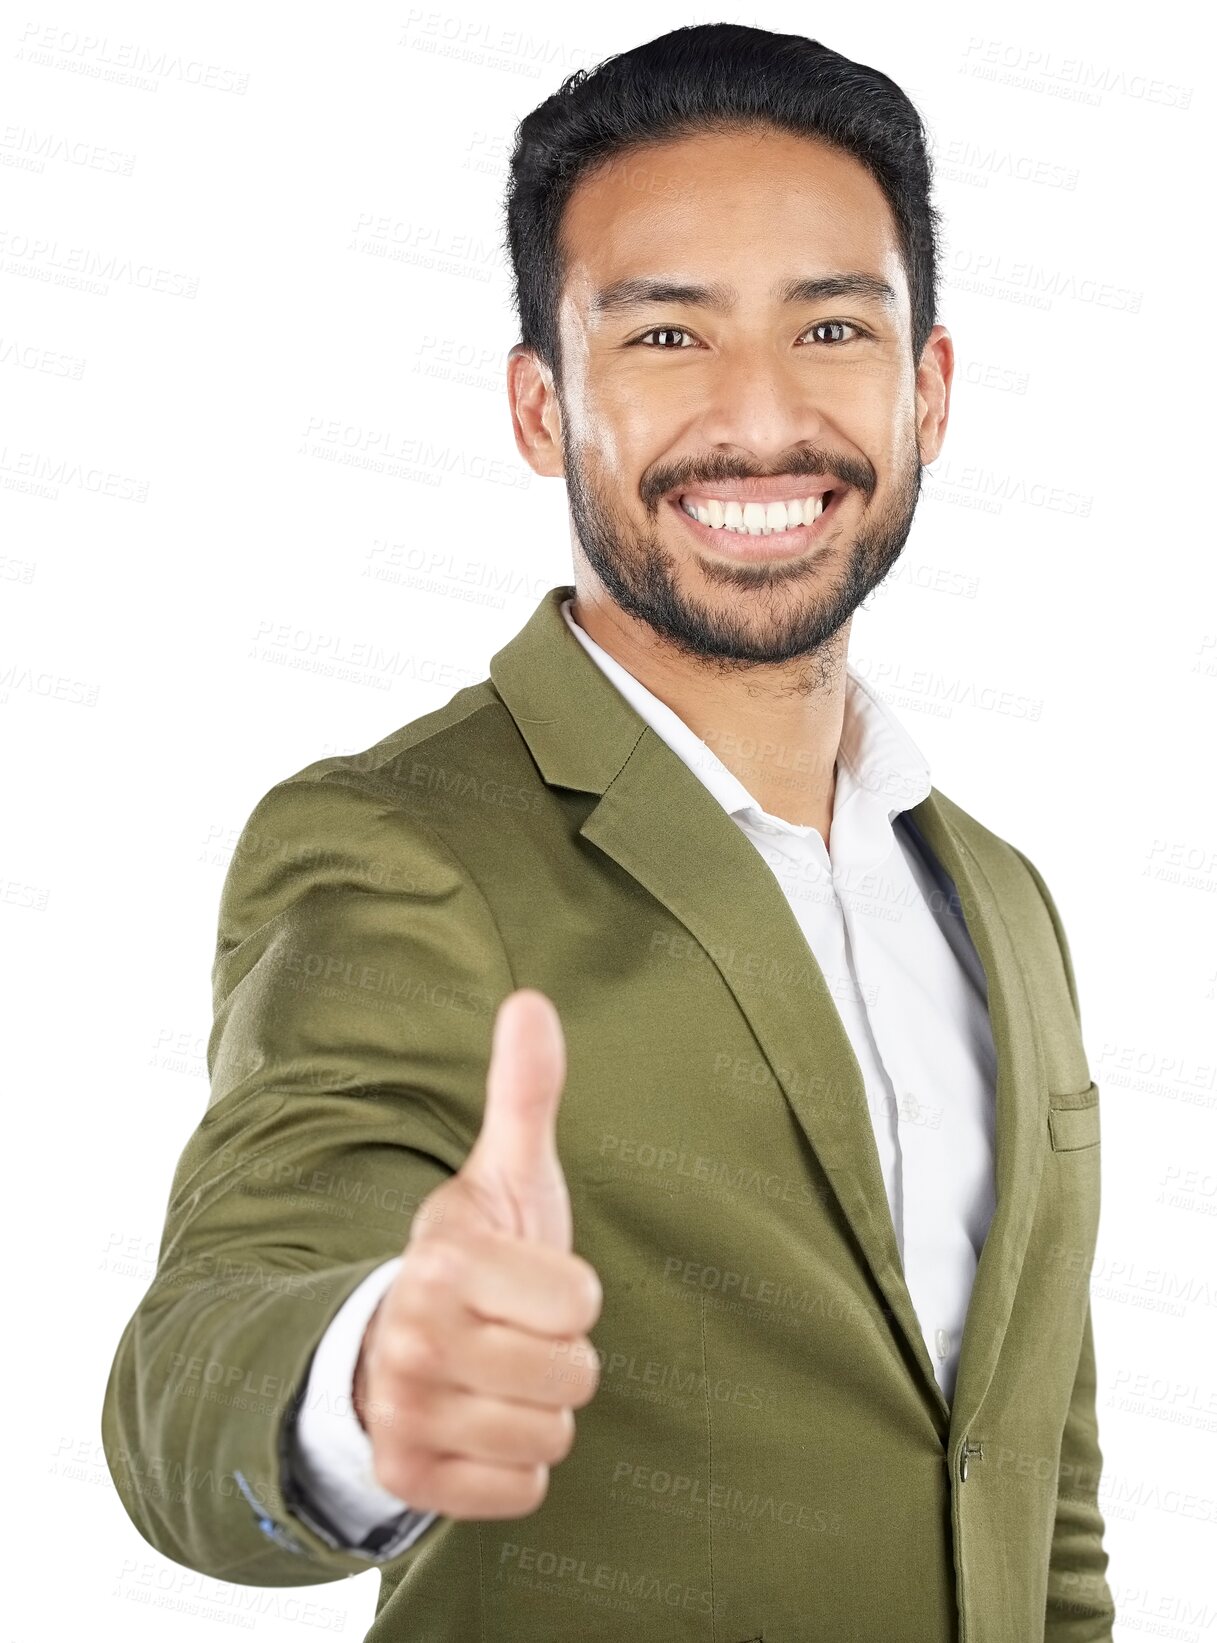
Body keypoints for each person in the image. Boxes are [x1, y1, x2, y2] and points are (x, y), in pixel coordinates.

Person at [101, 22, 1115, 1641]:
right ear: (536, 405)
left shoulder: (997, 894)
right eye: (663, 340)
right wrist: (367, 1380)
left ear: (926, 389)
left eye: (832, 326)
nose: (760, 419)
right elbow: (210, 1338)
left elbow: (1029, 1490)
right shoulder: (396, 846)